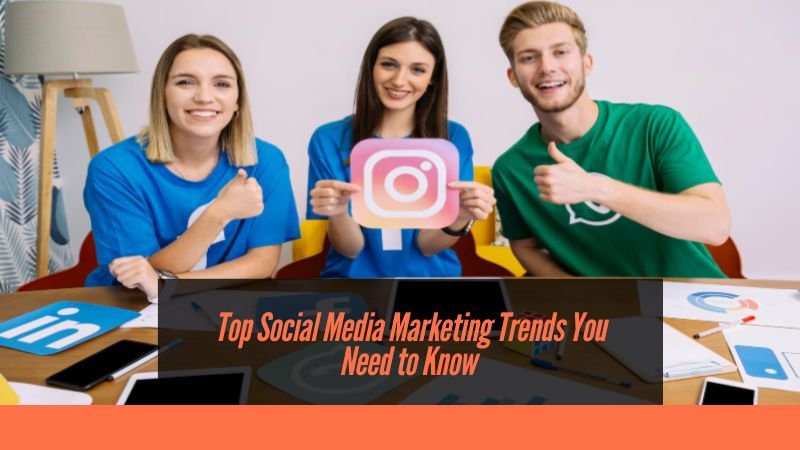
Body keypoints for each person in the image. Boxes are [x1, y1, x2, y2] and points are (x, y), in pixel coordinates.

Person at [492, 1, 730, 277]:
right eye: (529, 57)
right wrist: (583, 296)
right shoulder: (510, 169)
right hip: (604, 315)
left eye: (560, 52)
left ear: (586, 63)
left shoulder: (656, 125)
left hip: (695, 302)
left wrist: (596, 188)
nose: (547, 67)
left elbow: (715, 226)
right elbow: (525, 248)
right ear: (513, 76)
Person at [84, 34, 300, 299]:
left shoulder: (266, 160)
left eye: (221, 84)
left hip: (219, 305)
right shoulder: (114, 169)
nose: (204, 97)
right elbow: (137, 280)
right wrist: (217, 214)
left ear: (238, 102)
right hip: (130, 308)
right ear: (162, 94)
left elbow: (262, 263)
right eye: (186, 82)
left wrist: (167, 285)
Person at [307, 17, 495, 278]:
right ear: (371, 67)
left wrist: (461, 215)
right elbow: (350, 249)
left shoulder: (452, 138)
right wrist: (338, 213)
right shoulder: (328, 139)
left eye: (417, 69)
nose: (399, 80)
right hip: (353, 287)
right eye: (388, 65)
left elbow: (428, 246)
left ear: (432, 78)